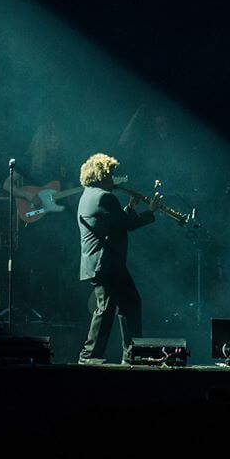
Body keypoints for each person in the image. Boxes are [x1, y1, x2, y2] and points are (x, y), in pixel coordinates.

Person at [76, 153, 157, 364]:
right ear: (101, 175)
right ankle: (89, 356)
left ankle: (130, 356)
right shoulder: (105, 197)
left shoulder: (89, 195)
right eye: (110, 176)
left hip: (103, 263)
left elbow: (115, 222)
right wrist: (150, 212)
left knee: (127, 304)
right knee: (108, 308)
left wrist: (130, 208)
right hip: (106, 263)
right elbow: (127, 225)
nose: (113, 180)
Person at [2, 123, 79, 322]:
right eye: (50, 136)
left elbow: (70, 193)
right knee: (33, 265)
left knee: (57, 267)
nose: (54, 140)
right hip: (35, 222)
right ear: (42, 139)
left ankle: (55, 312)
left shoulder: (65, 163)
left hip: (58, 223)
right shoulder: (29, 160)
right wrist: (28, 195)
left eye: (57, 135)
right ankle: (29, 309)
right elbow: (7, 185)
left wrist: (78, 195)